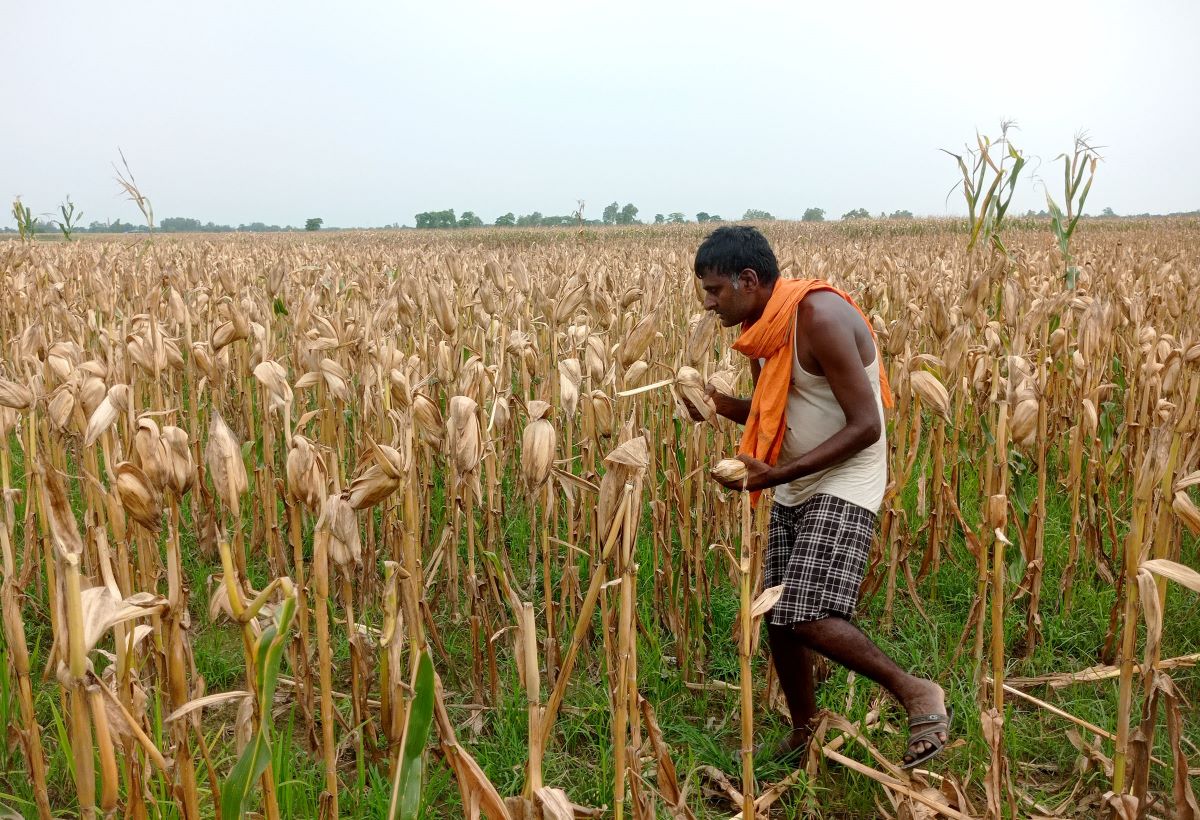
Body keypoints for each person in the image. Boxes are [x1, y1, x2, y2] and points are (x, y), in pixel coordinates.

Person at [685, 225, 950, 769]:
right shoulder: (766, 327)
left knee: (804, 612)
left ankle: (916, 691)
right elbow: (775, 406)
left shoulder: (819, 319)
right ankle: (806, 732)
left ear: (749, 279)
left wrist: (773, 476)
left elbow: (866, 426)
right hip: (797, 475)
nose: (708, 304)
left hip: (847, 474)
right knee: (778, 615)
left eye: (714, 291)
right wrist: (714, 405)